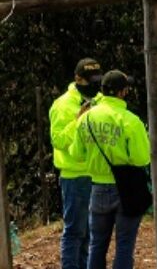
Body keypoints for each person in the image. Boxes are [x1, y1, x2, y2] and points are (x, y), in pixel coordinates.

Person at [69, 70, 150, 269]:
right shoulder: (130, 120)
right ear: (122, 92)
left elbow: (76, 154)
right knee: (124, 245)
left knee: (97, 245)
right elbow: (142, 158)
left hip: (97, 189)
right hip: (126, 190)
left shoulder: (86, 119)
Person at [49, 58, 103, 269]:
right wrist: (78, 120)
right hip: (74, 176)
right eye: (91, 80)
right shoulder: (62, 105)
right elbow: (59, 140)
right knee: (74, 232)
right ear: (78, 79)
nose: (95, 85)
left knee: (91, 232)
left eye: (98, 80)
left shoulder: (99, 99)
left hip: (96, 174)